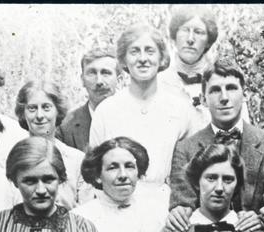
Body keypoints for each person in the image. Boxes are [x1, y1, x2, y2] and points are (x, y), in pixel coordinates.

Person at [168, 58, 264, 228]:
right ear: (203, 99)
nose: (224, 98)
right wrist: (179, 212)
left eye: (231, 88)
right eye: (215, 90)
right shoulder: (185, 149)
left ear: (244, 95)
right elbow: (184, 207)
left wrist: (260, 219)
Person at [89, 24, 195, 188]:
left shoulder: (181, 109)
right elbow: (94, 169)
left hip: (166, 203)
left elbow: (191, 167)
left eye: (150, 51)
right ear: (123, 59)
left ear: (162, 58)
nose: (143, 58)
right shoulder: (106, 110)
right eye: (134, 51)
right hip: (117, 202)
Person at [14, 80, 93, 208]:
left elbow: (87, 208)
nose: (39, 115)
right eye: (32, 108)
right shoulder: (12, 159)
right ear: (23, 113)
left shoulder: (77, 160)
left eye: (46, 108)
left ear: (58, 111)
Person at [157, 7, 235, 131]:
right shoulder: (157, 83)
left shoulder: (225, 81)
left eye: (198, 32)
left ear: (208, 42)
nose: (190, 39)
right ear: (174, 36)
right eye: (185, 30)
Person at [56, 48, 119, 152]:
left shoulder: (132, 118)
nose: (99, 81)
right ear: (82, 80)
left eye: (106, 73)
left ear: (119, 80)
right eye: (92, 73)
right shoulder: (64, 126)